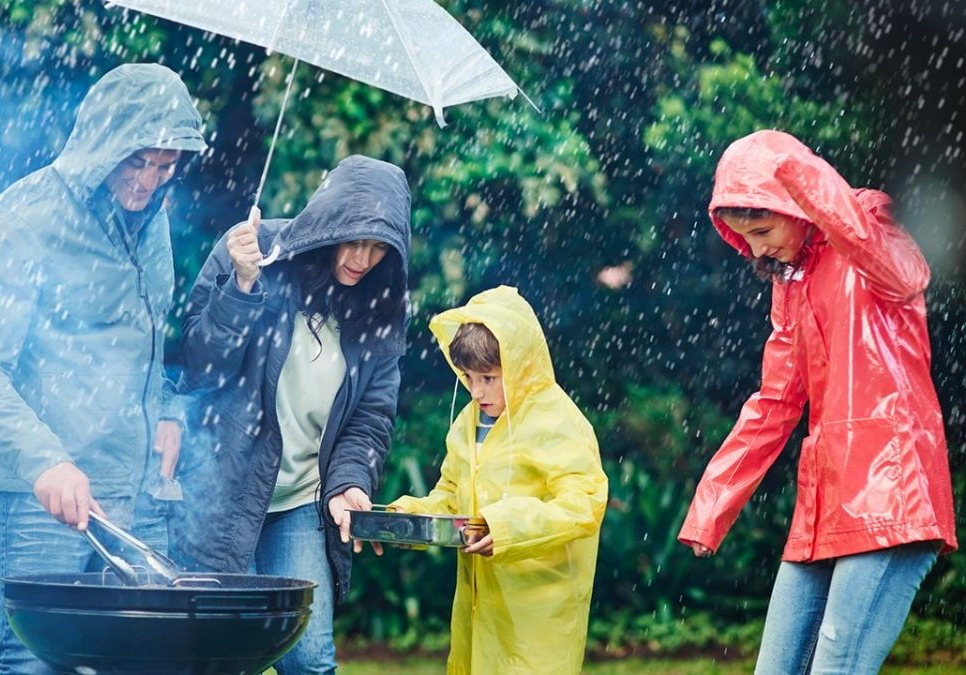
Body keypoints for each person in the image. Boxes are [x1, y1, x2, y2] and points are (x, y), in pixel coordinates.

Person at [0, 63, 207, 674]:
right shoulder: (18, 224)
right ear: (100, 144)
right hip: (48, 501)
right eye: (136, 161)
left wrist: (168, 411)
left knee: (158, 661)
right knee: (36, 663)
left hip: (141, 490)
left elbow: (147, 345)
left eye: (165, 165)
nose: (148, 181)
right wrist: (48, 462)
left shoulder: (154, 221)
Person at [677, 129, 958, 674]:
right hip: (824, 500)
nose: (755, 249)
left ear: (799, 202)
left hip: (893, 496)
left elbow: (907, 273)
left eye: (762, 228)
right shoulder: (791, 280)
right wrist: (711, 506)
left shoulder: (872, 225)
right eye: (745, 236)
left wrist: (796, 174)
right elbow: (775, 402)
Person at [163, 154, 410, 674]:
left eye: (379, 246)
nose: (363, 258)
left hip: (300, 499)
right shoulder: (255, 251)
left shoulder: (381, 304)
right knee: (221, 658)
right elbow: (201, 365)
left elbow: (370, 415)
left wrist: (349, 484)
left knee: (310, 659)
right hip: (223, 491)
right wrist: (243, 285)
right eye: (354, 238)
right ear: (330, 220)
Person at [389, 285, 608, 674]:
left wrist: (507, 526)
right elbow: (452, 496)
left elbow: (584, 504)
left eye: (489, 377)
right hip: (478, 608)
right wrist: (407, 517)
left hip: (538, 612)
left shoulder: (557, 419)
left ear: (520, 364)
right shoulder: (467, 423)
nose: (476, 391)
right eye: (468, 377)